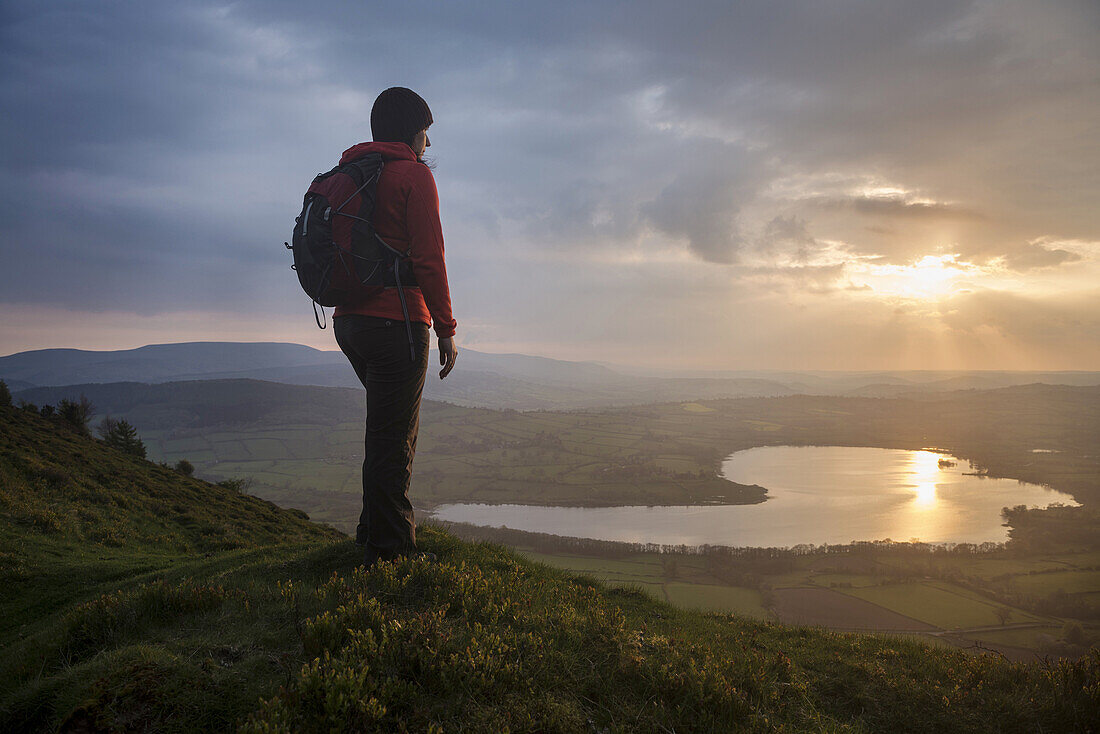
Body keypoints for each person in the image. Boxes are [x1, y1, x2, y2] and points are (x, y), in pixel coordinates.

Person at [333, 87, 458, 566]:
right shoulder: (413, 176)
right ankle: (392, 554)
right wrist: (445, 326)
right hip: (397, 324)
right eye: (425, 130)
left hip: (350, 324)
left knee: (383, 432)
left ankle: (371, 534)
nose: (428, 142)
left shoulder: (352, 172)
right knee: (394, 439)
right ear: (412, 131)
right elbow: (430, 258)